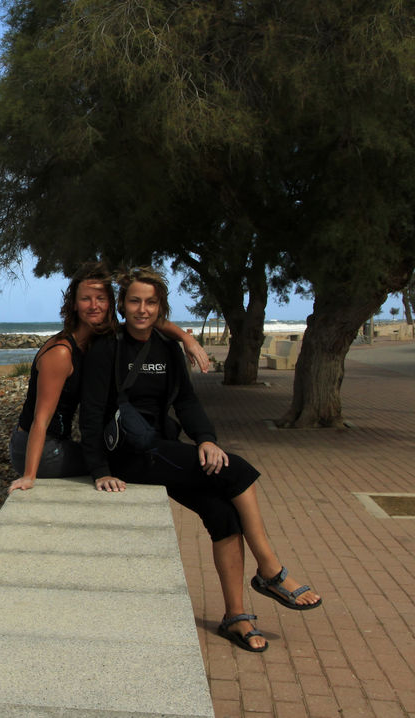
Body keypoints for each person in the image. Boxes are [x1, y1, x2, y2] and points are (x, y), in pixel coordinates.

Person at [78, 267, 321, 652]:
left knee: (223, 515)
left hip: (164, 448)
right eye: (135, 301)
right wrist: (100, 469)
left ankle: (236, 617)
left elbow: (186, 401)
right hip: (128, 455)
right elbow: (90, 413)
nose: (143, 309)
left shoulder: (167, 348)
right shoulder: (107, 349)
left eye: (151, 302)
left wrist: (206, 439)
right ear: (123, 305)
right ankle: (271, 569)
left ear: (161, 307)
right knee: (237, 470)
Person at [8, 263, 209, 494]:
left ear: (111, 303)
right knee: (122, 461)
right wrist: (29, 476)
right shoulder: (61, 352)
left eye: (101, 298)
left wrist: (186, 338)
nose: (94, 305)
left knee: (125, 455)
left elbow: (150, 319)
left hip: (57, 443)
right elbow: (40, 420)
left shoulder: (96, 339)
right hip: (37, 448)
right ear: (74, 304)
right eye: (86, 299)